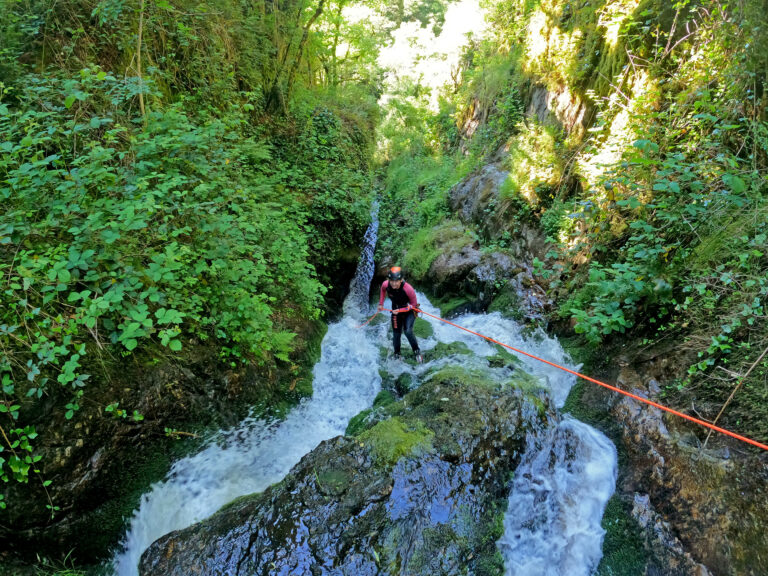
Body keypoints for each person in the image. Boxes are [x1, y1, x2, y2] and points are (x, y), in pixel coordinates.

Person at [378, 267, 423, 363]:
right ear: (389, 280)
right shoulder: (386, 285)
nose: (394, 283)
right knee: (396, 333)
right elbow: (382, 290)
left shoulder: (408, 289)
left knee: (407, 331)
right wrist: (381, 304)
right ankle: (397, 354)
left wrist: (401, 310)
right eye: (392, 281)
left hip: (408, 311)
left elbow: (414, 305)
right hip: (395, 310)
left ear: (401, 280)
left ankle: (417, 351)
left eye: (396, 281)